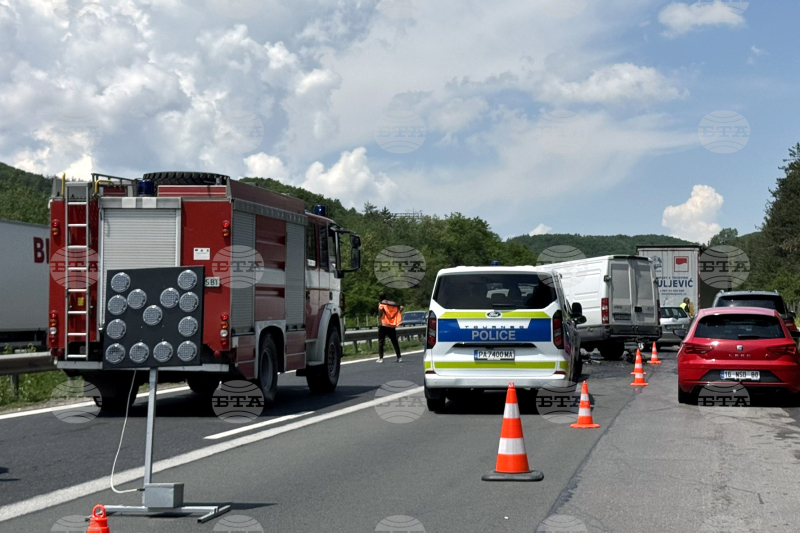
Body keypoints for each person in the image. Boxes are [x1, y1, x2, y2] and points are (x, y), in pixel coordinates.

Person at [377, 292, 404, 363]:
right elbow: (401, 307)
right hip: (391, 325)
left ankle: (381, 358)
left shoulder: (381, 304)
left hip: (384, 324)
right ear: (386, 296)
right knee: (394, 341)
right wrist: (397, 313)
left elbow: (380, 311)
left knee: (381, 341)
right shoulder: (392, 304)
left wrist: (380, 316)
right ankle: (399, 357)